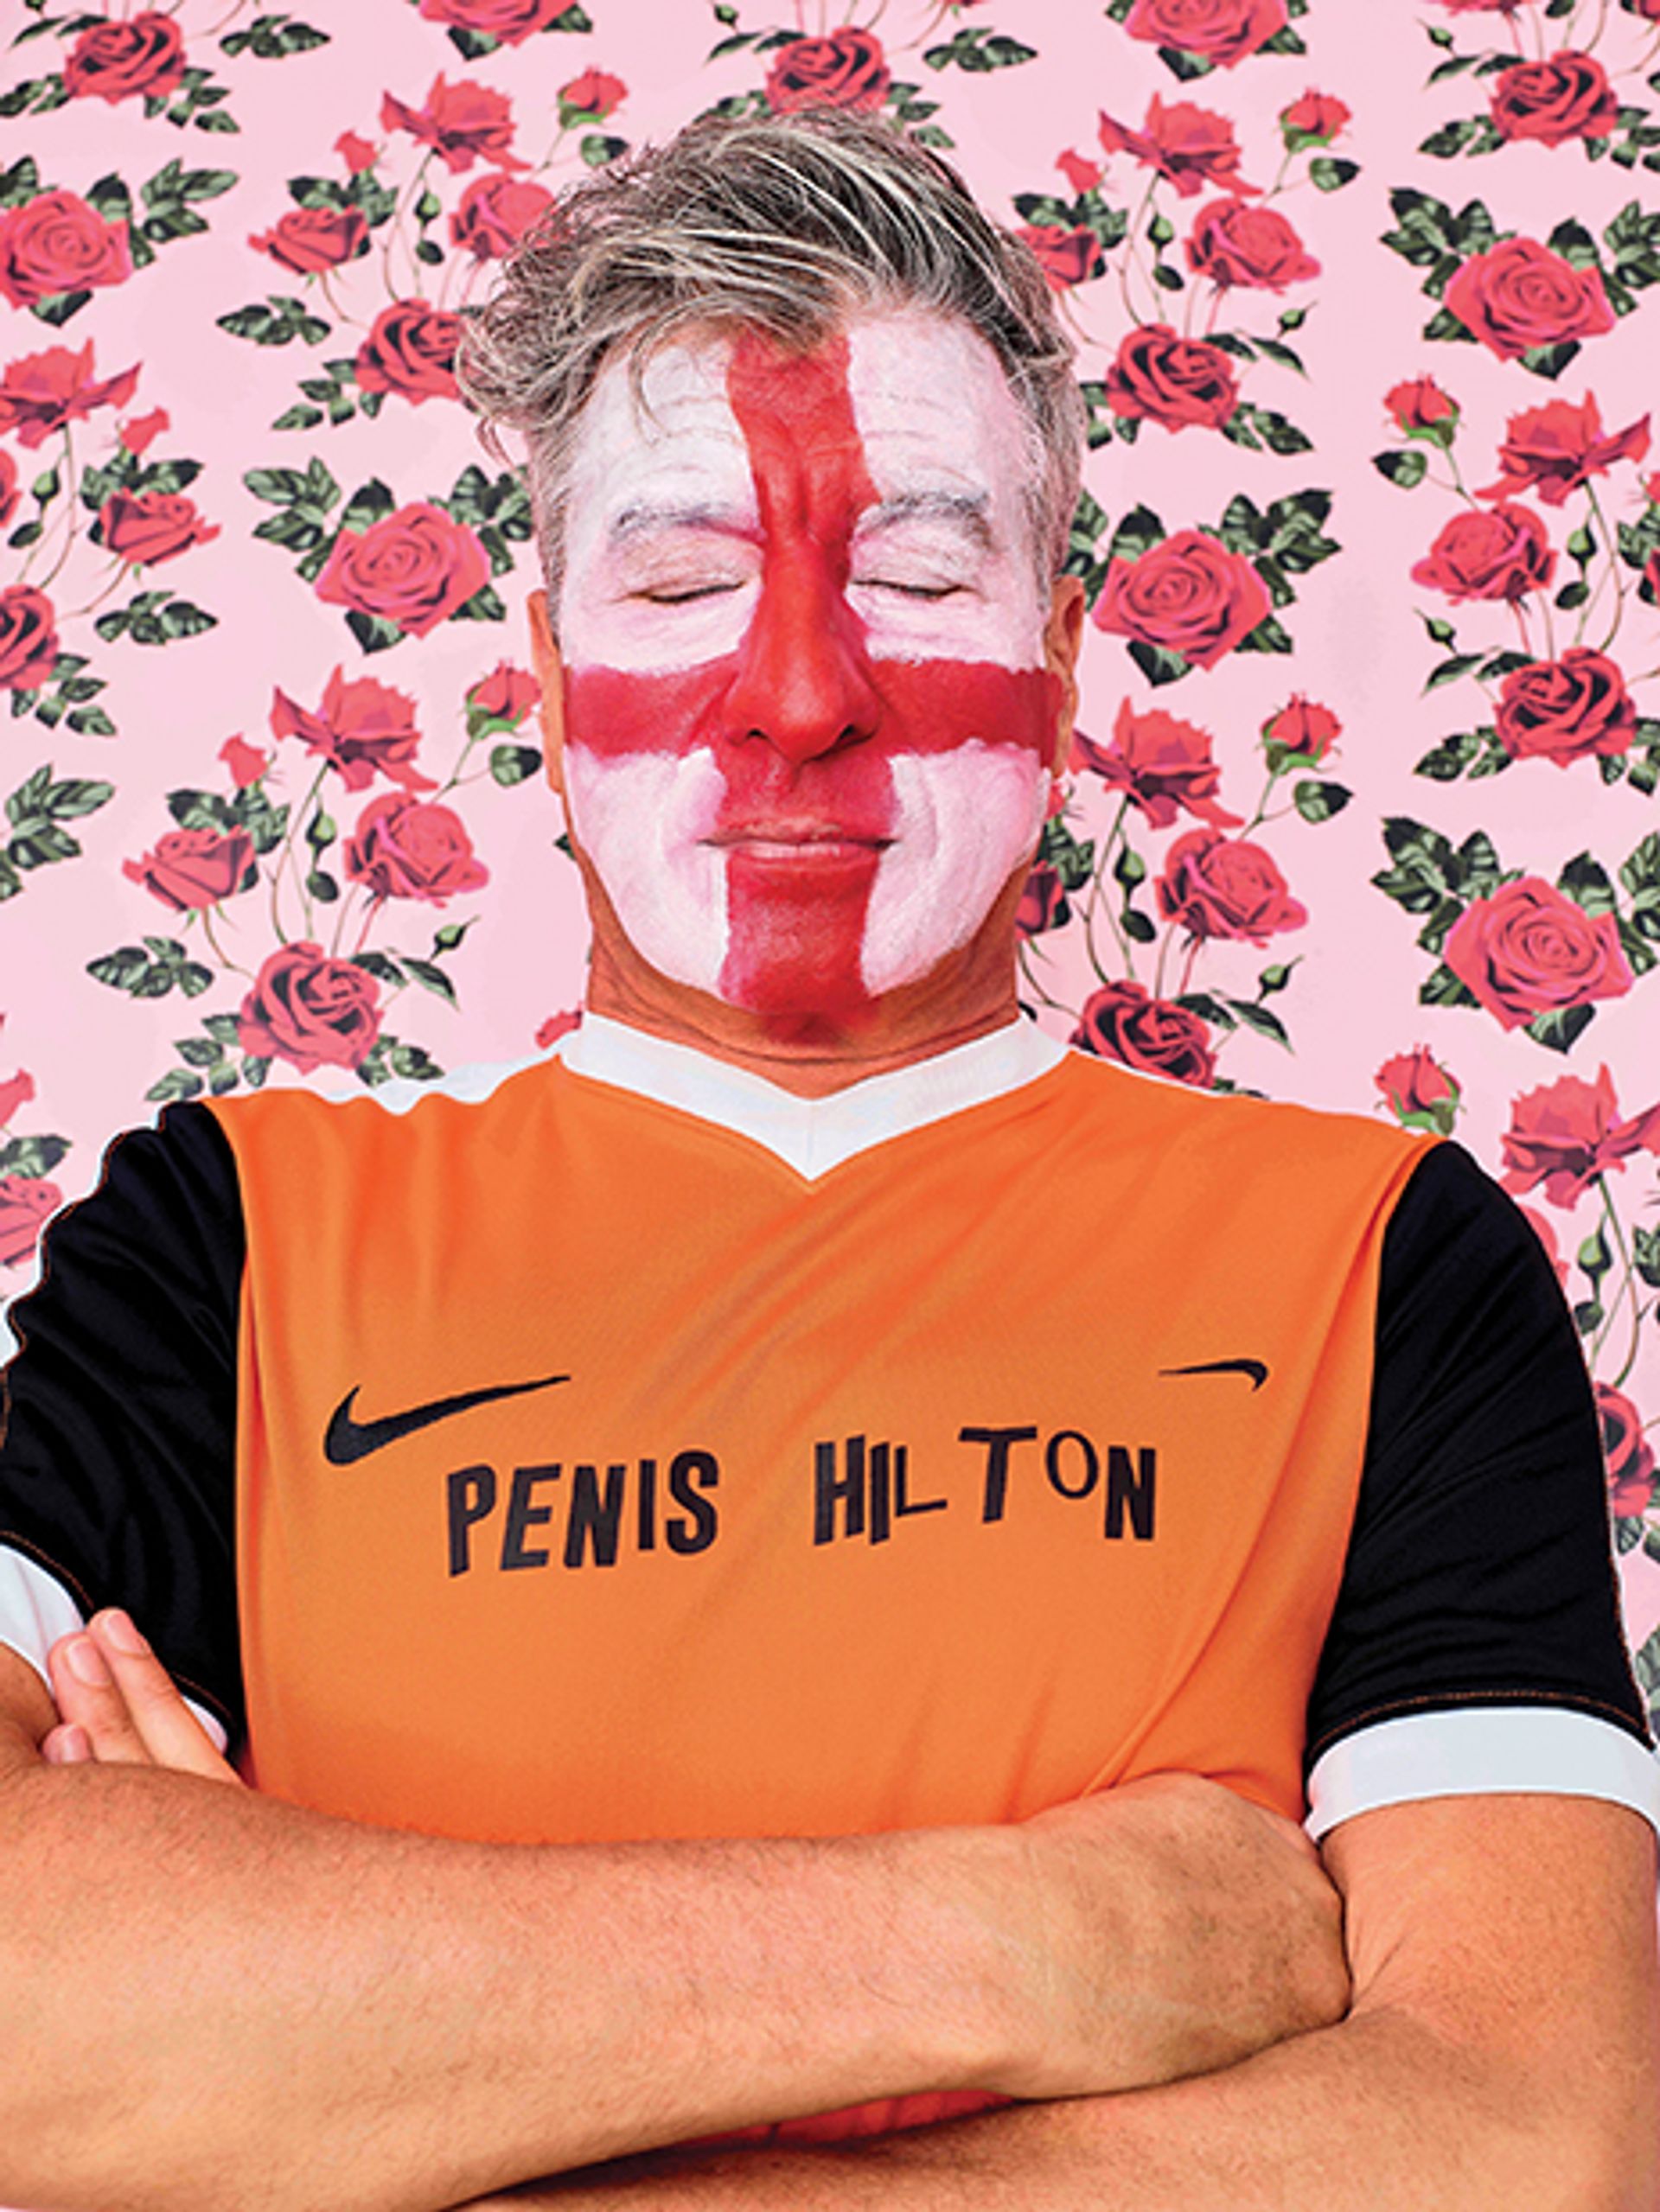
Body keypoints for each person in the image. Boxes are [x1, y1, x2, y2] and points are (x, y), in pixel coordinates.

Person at [0, 108, 1655, 2212]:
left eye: (921, 577)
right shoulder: (225, 1237)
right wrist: (1034, 1940)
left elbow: (1536, 2144)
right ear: (545, 673)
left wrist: (309, 2078)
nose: (799, 696)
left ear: (1062, 663)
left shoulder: (1381, 1259)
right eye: (683, 582)